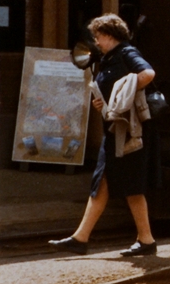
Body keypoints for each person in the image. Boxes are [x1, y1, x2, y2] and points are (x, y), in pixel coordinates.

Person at [49, 14, 159, 256]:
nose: (96, 42)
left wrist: (121, 97)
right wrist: (106, 104)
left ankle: (145, 241)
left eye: (98, 37)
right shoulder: (110, 59)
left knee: (128, 184)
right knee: (105, 183)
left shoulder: (127, 52)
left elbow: (147, 74)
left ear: (109, 35)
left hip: (129, 131)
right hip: (116, 130)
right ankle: (83, 238)